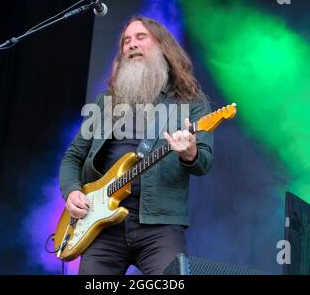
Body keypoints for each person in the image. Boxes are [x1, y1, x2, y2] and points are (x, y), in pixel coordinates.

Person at [59, 16, 213, 275]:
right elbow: (73, 157)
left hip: (160, 227)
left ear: (164, 47)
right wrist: (72, 192)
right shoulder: (105, 102)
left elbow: (204, 163)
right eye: (126, 40)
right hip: (102, 227)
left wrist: (190, 153)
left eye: (141, 37)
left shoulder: (190, 102)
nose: (131, 44)